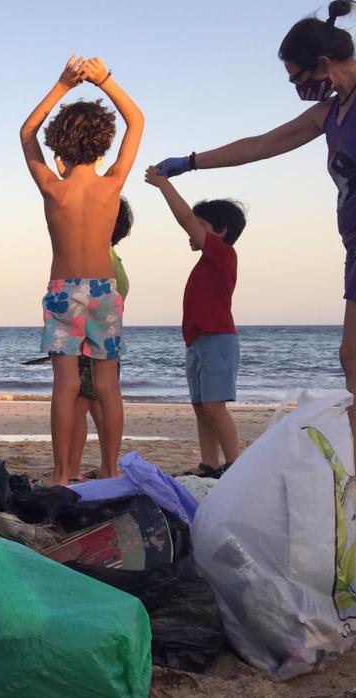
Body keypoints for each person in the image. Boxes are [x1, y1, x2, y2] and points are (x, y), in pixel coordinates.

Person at [152, 0, 356, 497]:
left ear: (324, 64)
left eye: (298, 78)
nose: (297, 88)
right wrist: (191, 162)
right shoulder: (333, 109)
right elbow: (261, 144)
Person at [20, 56, 144, 486]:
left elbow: (25, 132)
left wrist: (61, 85)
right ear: (103, 143)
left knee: (66, 385)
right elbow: (137, 120)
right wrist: (105, 79)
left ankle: (60, 474)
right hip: (105, 291)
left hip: (63, 291)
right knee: (108, 386)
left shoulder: (52, 187)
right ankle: (110, 469)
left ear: (58, 150)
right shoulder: (113, 184)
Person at [145, 171, 246, 476]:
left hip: (218, 340)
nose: (192, 231)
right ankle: (210, 464)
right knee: (202, 408)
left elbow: (185, 218)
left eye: (202, 226)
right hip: (199, 342)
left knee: (215, 408)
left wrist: (163, 184)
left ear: (220, 231)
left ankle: (234, 465)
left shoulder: (223, 254)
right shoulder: (207, 261)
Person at [68, 198, 132, 481]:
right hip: (107, 334)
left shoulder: (97, 256)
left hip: (89, 333)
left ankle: (72, 468)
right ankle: (109, 466)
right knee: (101, 400)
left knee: (80, 402)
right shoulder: (113, 258)